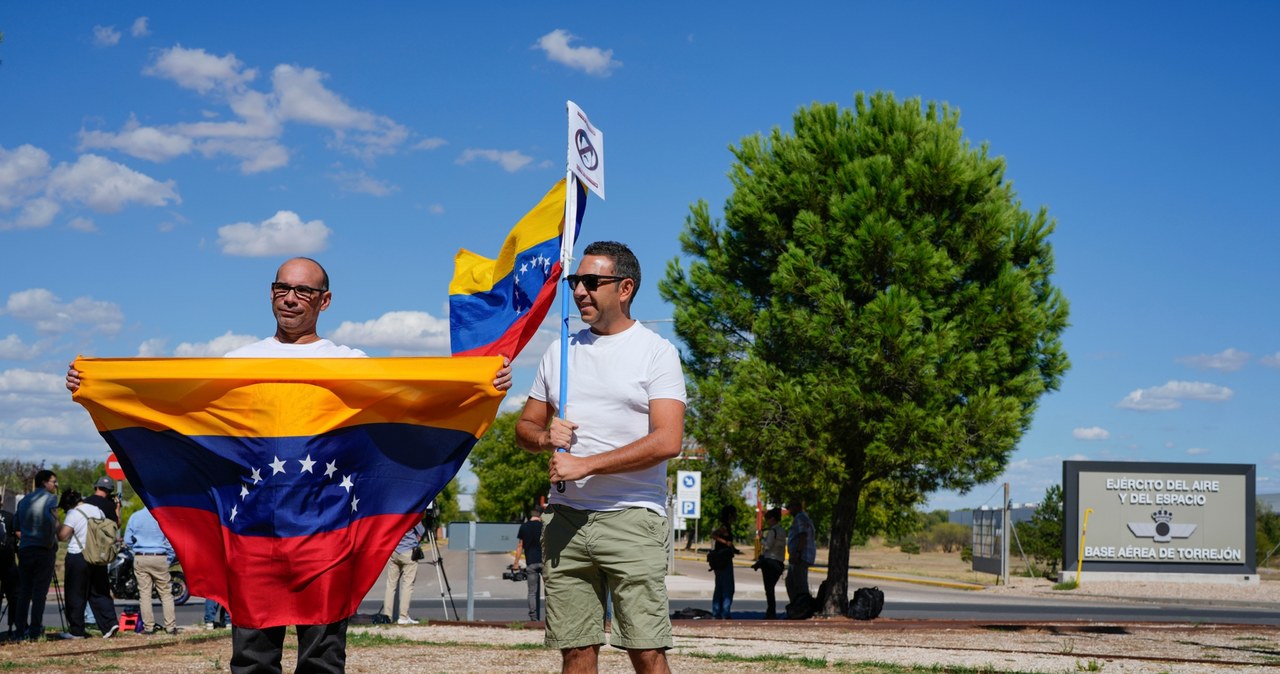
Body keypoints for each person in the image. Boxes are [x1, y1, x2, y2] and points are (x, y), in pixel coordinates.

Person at [68, 256, 511, 672]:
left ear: (325, 300)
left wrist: (479, 387)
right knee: (252, 661)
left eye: (303, 290)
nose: (291, 297)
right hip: (253, 540)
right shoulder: (237, 364)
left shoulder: (350, 365)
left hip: (328, 542)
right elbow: (180, 415)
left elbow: (414, 406)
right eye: (283, 287)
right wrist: (99, 387)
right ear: (271, 293)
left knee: (322, 661)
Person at [515, 241, 686, 674]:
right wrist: (542, 437)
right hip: (565, 518)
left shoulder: (656, 351)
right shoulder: (561, 353)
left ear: (624, 287)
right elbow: (525, 427)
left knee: (646, 651)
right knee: (575, 651)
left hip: (632, 518)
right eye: (576, 282)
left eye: (592, 282)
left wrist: (587, 464)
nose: (579, 291)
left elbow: (667, 440)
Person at [57, 489, 120, 638]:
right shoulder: (97, 510)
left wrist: (56, 521)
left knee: (76, 594)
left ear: (68, 505)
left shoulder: (73, 513)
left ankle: (77, 631)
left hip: (78, 556)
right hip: (97, 555)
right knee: (100, 591)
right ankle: (110, 624)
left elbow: (62, 536)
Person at [14, 470, 59, 640]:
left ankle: (19, 631)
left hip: (25, 548)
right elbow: (51, 524)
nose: (55, 485)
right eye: (53, 481)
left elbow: (17, 525)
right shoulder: (50, 500)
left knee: (24, 592)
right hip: (43, 549)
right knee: (39, 593)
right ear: (44, 483)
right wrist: (50, 543)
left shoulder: (24, 500)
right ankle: (34, 630)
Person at [124, 506, 177, 634]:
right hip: (159, 556)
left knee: (145, 594)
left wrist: (135, 552)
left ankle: (148, 627)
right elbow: (170, 541)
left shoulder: (135, 517)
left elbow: (127, 540)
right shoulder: (162, 516)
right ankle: (170, 627)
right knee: (165, 593)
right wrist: (169, 558)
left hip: (141, 557)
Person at [380, 519, 426, 625]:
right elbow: (422, 531)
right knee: (407, 585)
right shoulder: (412, 514)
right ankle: (403, 616)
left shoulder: (395, 513)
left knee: (391, 585)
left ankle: (387, 616)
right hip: (408, 551)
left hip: (394, 551)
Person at [784, 499, 816, 619]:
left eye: (790, 507)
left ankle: (801, 610)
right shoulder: (802, 517)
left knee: (799, 584)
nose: (789, 510)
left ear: (797, 507)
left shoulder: (800, 518)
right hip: (800, 555)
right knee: (791, 582)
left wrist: (797, 553)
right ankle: (796, 608)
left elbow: (802, 535)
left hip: (801, 556)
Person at [511, 505, 544, 621]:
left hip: (531, 563)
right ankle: (551, 617)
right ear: (541, 515)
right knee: (551, 591)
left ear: (532, 514)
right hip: (545, 563)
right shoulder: (544, 526)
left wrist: (516, 563)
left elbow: (520, 546)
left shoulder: (524, 527)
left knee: (532, 592)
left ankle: (533, 617)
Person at [752, 507, 786, 619]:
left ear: (772, 519)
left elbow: (767, 546)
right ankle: (771, 611)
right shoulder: (781, 530)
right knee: (771, 588)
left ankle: (771, 611)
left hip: (770, 562)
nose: (767, 522)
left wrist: (761, 538)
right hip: (779, 562)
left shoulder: (772, 531)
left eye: (768, 519)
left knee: (769, 589)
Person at [709, 505, 739, 619]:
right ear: (730, 515)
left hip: (721, 560)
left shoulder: (727, 527)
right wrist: (725, 542)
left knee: (720, 586)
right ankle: (724, 612)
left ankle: (717, 611)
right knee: (727, 588)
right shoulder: (725, 527)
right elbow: (714, 535)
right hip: (723, 560)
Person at [0, 507, 19, 639]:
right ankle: (13, 626)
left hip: (8, 563)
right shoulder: (10, 517)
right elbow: (18, 535)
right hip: (8, 561)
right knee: (13, 596)